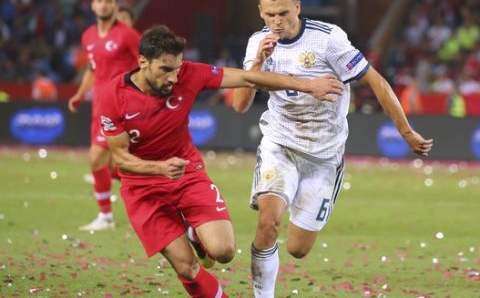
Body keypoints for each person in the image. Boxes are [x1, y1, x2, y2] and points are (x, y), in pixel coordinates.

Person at [98, 24, 344, 298]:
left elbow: (249, 79)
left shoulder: (189, 75)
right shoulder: (113, 96)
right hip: (143, 189)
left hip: (187, 174)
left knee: (224, 251)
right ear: (143, 62)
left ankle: (195, 235)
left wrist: (307, 85)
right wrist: (159, 168)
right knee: (187, 268)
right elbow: (120, 159)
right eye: (165, 70)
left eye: (177, 68)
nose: (174, 77)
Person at [232, 0, 434, 297]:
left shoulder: (328, 40)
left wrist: (406, 131)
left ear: (297, 7)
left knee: (298, 248)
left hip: (324, 156)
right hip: (279, 144)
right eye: (269, 15)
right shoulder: (257, 43)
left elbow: (376, 81)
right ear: (261, 12)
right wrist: (257, 62)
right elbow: (240, 105)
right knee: (268, 222)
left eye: (283, 12)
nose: (276, 21)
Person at [68, 0, 141, 231]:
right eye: (99, 0)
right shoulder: (88, 36)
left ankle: (106, 216)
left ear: (115, 5)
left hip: (122, 105)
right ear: (92, 4)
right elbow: (92, 68)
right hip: (99, 105)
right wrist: (80, 94)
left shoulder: (128, 35)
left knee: (97, 157)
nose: (104, 5)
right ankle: (111, 214)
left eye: (109, 1)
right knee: (112, 163)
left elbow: (145, 64)